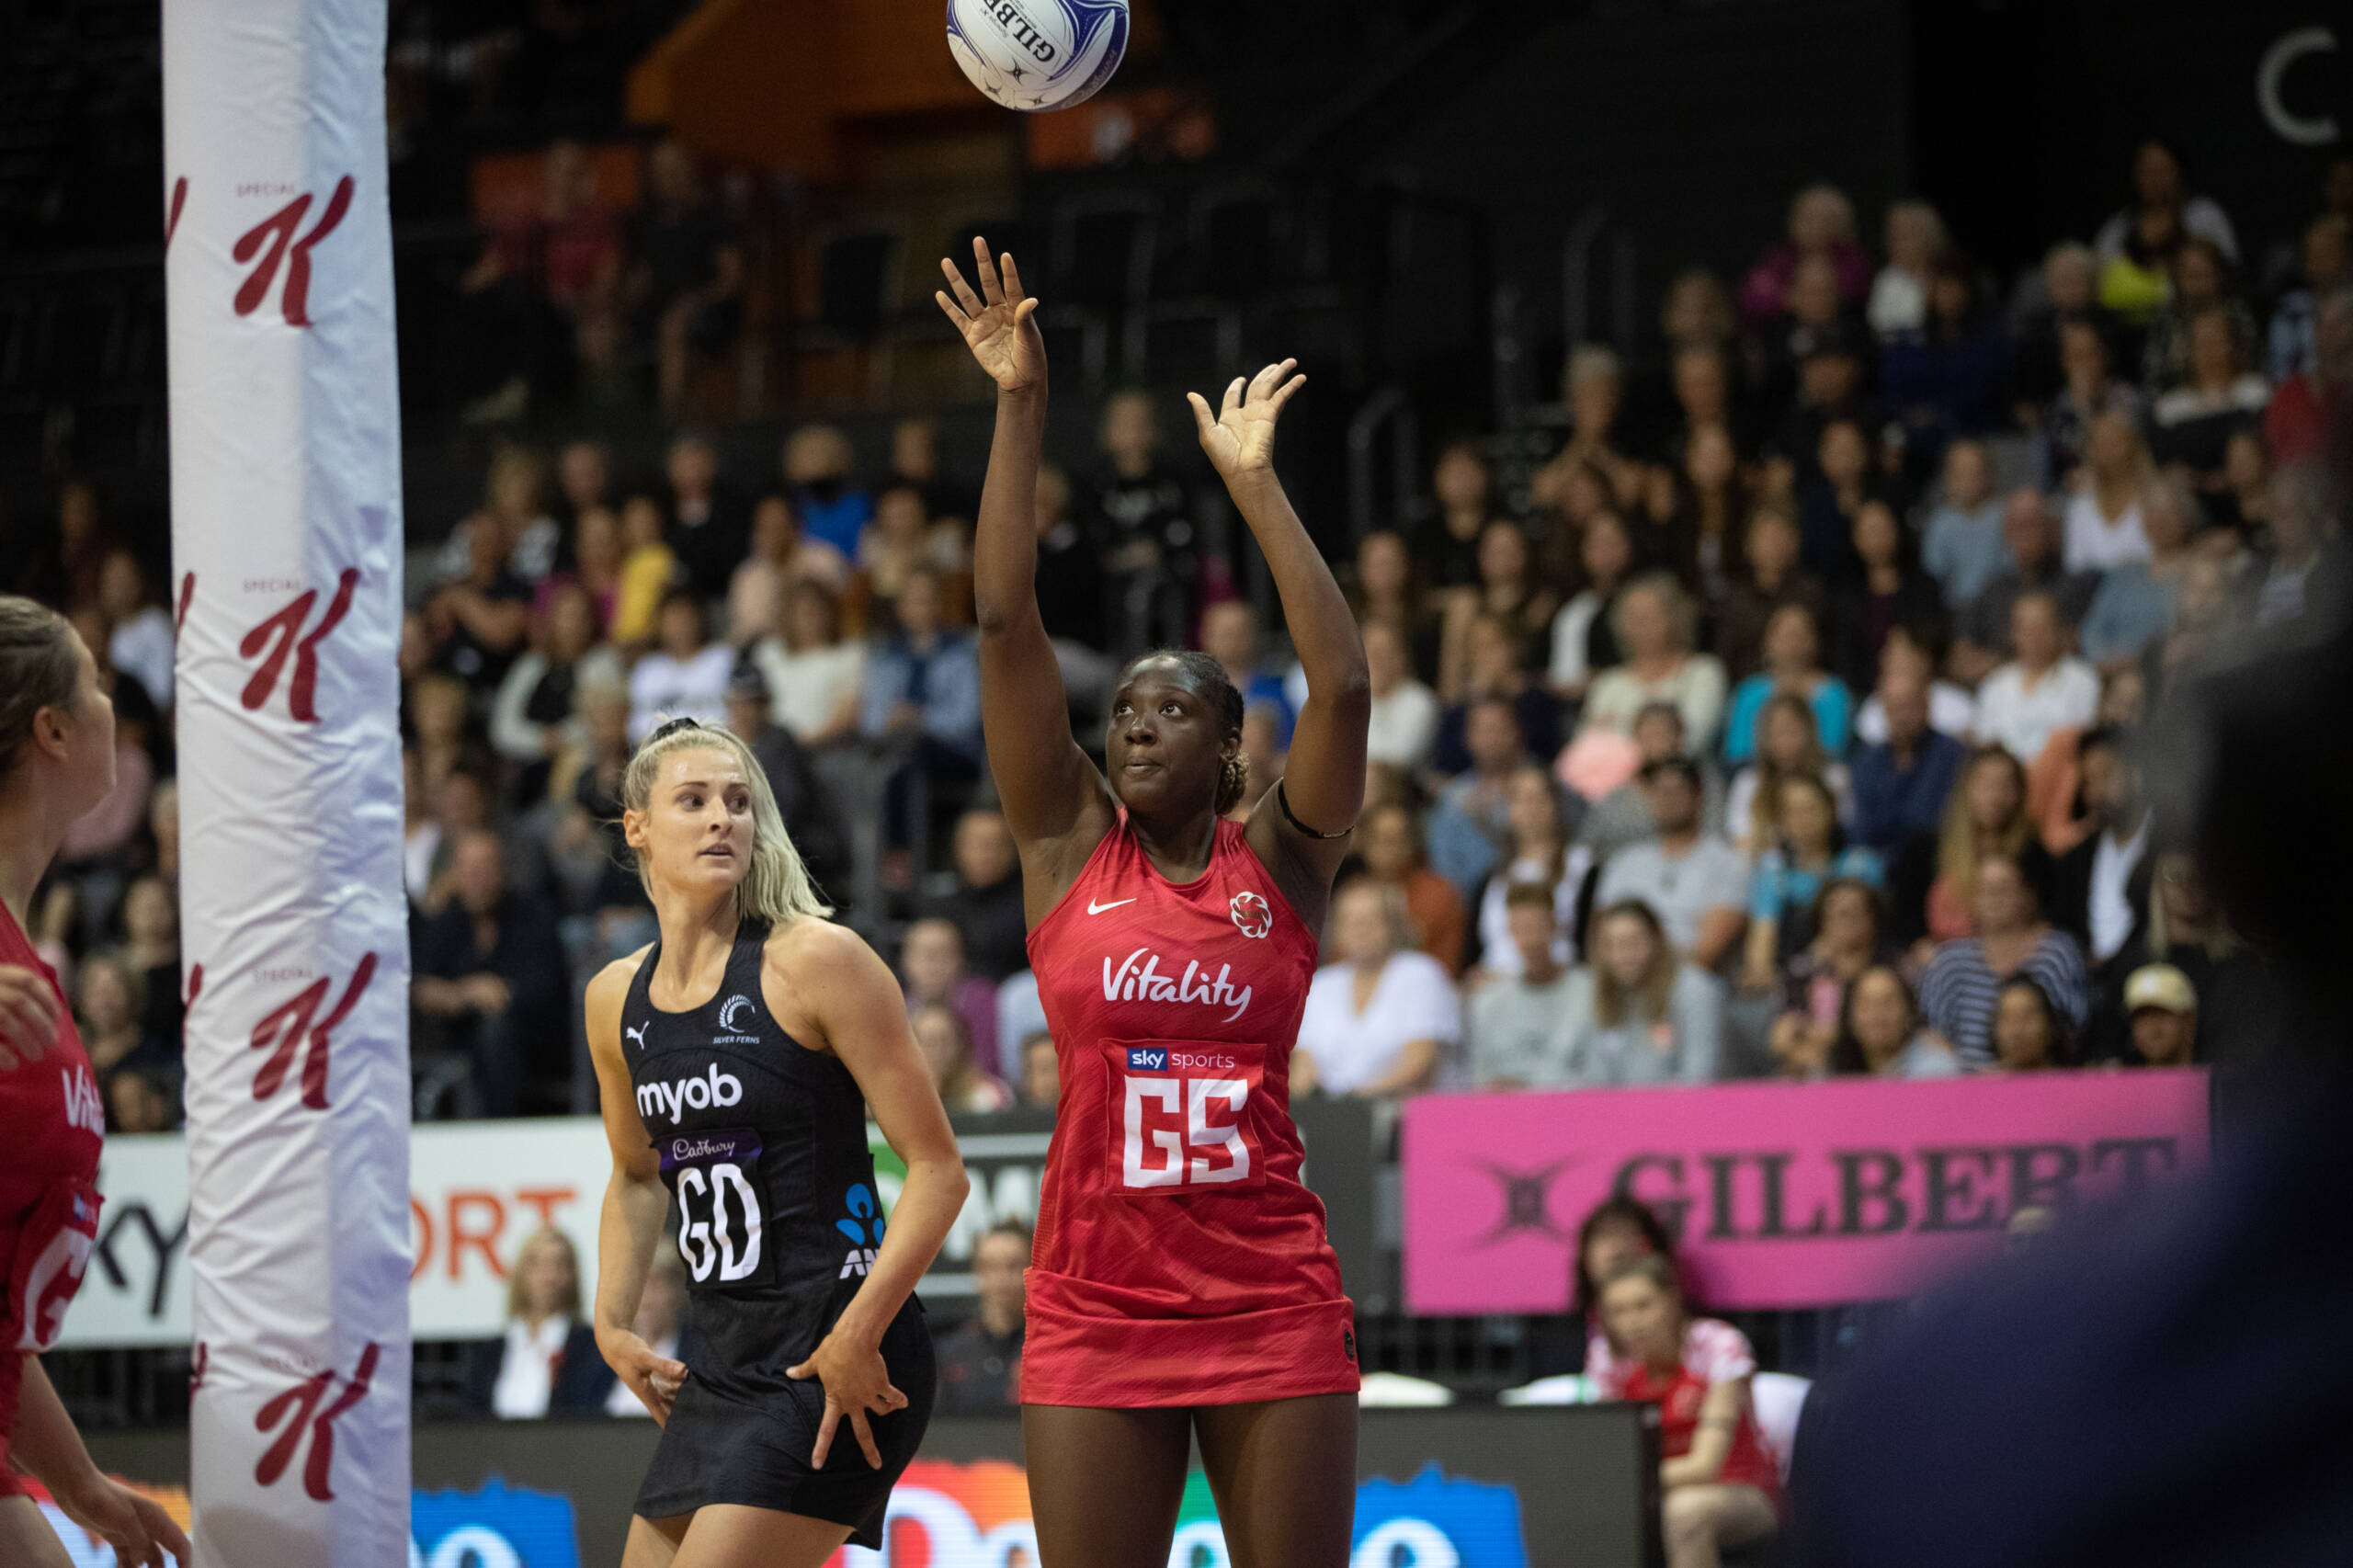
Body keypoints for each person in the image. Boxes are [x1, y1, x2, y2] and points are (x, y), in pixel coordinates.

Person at [938, 238, 1366, 1565]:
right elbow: (1005, 623)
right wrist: (1020, 406)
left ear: (1233, 750)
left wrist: (1254, 487)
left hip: (1269, 1297)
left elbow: (1342, 685)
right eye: (1123, 709)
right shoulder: (1068, 844)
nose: (1134, 727)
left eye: (1171, 707)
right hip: (1093, 1302)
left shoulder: (1283, 863)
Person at [584, 716, 967, 1565]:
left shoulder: (815, 960)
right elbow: (636, 1176)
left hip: (838, 1345)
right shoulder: (616, 998)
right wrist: (610, 1324)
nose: (723, 818)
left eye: (738, 802)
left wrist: (859, 1332)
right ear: (638, 827)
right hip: (724, 1361)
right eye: (693, 801)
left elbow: (939, 1171)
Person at [0, 597, 191, 1568]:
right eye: (97, 681)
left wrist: (78, 1482)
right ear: (53, 727)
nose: (116, 701)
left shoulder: (33, 963)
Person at [1595, 1255, 1781, 1568]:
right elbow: (1607, 1455)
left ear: (1671, 1302)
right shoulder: (1609, 1361)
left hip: (1743, 1491)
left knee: (1684, 1512)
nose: (1632, 1322)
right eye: (1618, 1311)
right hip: (1653, 1493)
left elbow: (1704, 1466)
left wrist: (1620, 1479)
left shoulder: (1718, 1345)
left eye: (1643, 1305)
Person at [412, 830, 570, 1117]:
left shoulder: (533, 917)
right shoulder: (445, 923)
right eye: (469, 871)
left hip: (530, 1044)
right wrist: (469, 993)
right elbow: (422, 988)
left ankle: (497, 1129)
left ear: (502, 871)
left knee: (497, 1028)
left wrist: (498, 995)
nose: (478, 880)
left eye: (485, 869)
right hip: (455, 1040)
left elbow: (545, 987)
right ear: (455, 876)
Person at [1917, 857, 2090, 1068]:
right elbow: (1930, 1036)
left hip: (2044, 1078)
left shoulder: (2057, 952)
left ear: (2028, 894)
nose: (1995, 898)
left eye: (2004, 889)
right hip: (1965, 1085)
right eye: (1986, 890)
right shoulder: (1948, 961)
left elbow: (2073, 1028)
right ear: (1972, 899)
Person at [1294, 880, 1458, 1098]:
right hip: (1330, 1116)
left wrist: (1356, 1099)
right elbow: (1303, 1066)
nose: (1360, 928)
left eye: (1371, 919)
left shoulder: (1421, 973)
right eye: (1350, 920)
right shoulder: (1321, 984)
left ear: (1393, 924)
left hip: (1404, 1114)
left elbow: (1421, 1064)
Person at [1596, 757, 1749, 971]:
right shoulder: (1624, 861)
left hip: (1687, 980)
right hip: (1624, 978)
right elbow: (1599, 939)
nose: (1667, 799)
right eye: (1659, 791)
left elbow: (1706, 956)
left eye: (1676, 790)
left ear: (1698, 795)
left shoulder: (1727, 864)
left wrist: (1637, 954)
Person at [1741, 773, 1882, 993]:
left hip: (1860, 979)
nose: (1803, 820)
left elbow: (1872, 933)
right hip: (1795, 981)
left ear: (1831, 811)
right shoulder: (1773, 876)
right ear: (1781, 821)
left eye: (1810, 809)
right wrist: (1766, 972)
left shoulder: (1860, 866)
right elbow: (1761, 947)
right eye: (1793, 812)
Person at [1561, 900, 1723, 1085]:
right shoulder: (1602, 993)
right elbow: (1596, 1077)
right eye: (1612, 945)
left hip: (1685, 1109)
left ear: (1656, 939)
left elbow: (1700, 1076)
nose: (1624, 954)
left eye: (1633, 941)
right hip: (1618, 1110)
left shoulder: (1694, 988)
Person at [1949, 491, 2097, 686]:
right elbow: (1961, 656)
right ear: (2006, 533)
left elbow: (2075, 645)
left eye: (2032, 524)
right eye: (2017, 526)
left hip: (2056, 686)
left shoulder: (2073, 584)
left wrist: (2009, 660)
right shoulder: (1993, 588)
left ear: (2050, 528)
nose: (2025, 533)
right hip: (1997, 690)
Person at [1578, 574, 1728, 753]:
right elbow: (1584, 747)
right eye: (1633, 617)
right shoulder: (1608, 683)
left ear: (1675, 618)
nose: (1642, 625)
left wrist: (1615, 734)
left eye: (1651, 615)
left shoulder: (1703, 672)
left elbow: (1691, 740)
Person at [1768, 880, 1896, 1078]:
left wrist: (1819, 1033)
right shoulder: (1803, 971)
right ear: (1822, 921)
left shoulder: (1891, 968)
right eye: (1836, 915)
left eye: (1854, 913)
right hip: (1819, 1065)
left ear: (1873, 918)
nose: (1845, 922)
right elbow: (1781, 1038)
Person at [2046, 727, 2149, 973]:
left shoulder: (2168, 843)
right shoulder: (2078, 858)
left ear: (2136, 774)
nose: (2096, 793)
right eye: (2088, 781)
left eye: (2106, 775)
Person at [1470, 767, 1587, 979]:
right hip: (1498, 986)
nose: (1531, 808)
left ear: (1555, 804)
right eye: (1521, 799)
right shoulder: (1492, 876)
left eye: (1539, 798)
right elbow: (1480, 949)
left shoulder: (1583, 866)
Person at [1467, 881, 1579, 1089]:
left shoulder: (1589, 992)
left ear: (1555, 926)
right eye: (1520, 929)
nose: (1531, 940)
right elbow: (1481, 1079)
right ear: (1509, 931)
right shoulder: (1488, 1003)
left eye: (1538, 927)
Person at [470, 1226, 585, 1418]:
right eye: (538, 1265)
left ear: (572, 1276)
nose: (549, 1277)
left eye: (559, 1265)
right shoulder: (490, 1353)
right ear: (521, 1273)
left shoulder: (588, 1348)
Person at [1972, 592, 2099, 766]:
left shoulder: (2082, 680)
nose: (2034, 636)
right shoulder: (1994, 685)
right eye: (2026, 628)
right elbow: (1985, 749)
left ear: (2058, 628)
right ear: (2014, 632)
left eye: (2042, 627)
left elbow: (2083, 746)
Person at [1848, 672, 1964, 856]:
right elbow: (1863, 826)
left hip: (1932, 855)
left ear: (1926, 707)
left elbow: (1928, 818)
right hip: (1876, 858)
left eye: (1909, 707)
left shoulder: (1951, 754)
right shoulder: (1867, 759)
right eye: (1894, 708)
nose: (1902, 717)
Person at [1722, 601, 1851, 765]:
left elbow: (1832, 751)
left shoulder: (1833, 694)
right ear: (1768, 643)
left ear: (1815, 642)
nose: (1793, 645)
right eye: (1785, 636)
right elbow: (1737, 755)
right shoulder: (1749, 692)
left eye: (1800, 636)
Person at [1355, 801, 1467, 976]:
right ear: (1363, 842)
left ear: (1411, 843)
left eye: (1395, 839)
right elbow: (1339, 962)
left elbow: (1446, 966)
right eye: (1378, 838)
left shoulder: (1440, 893)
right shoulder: (1351, 895)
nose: (1386, 848)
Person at [752, 579, 866, 749]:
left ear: (829, 613)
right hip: (774, 747)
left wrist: (807, 744)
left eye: (815, 610)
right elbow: (755, 705)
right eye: (802, 612)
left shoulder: (847, 653)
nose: (809, 619)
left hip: (824, 749)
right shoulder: (769, 653)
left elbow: (847, 714)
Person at [936, 1221, 1031, 1413]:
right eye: (991, 1266)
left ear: (1033, 1270)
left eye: (1013, 1266)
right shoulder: (949, 1351)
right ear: (978, 1272)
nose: (1002, 1277)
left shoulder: (1047, 1349)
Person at [896, 918, 999, 1079]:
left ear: (961, 960)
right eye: (925, 954)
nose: (934, 965)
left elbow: (988, 1068)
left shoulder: (984, 1001)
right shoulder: (894, 1007)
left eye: (944, 953)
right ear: (905, 962)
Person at [630, 590, 734, 744]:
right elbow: (635, 727)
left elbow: (738, 717)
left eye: (685, 618)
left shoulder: (722, 660)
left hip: (713, 749)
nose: (679, 626)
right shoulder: (647, 669)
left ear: (699, 619)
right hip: (655, 754)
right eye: (672, 619)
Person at [937, 808, 1028, 984]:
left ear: (1012, 851)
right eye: (976, 844)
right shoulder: (939, 909)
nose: (985, 855)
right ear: (957, 848)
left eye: (995, 845)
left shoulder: (1030, 908)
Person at [1919, 439, 2010, 612]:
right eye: (1960, 472)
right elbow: (1933, 575)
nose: (1967, 479)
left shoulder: (2004, 516)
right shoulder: (1939, 523)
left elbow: (2011, 570)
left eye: (1974, 471)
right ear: (1948, 477)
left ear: (1988, 473)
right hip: (1953, 610)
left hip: (1999, 608)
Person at [1825, 964, 1960, 1079]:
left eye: (1888, 1003)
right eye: (1866, 1004)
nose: (1877, 1015)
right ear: (1849, 1017)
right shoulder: (1835, 1069)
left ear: (1909, 1013)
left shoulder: (1936, 1071)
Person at [1361, 616, 1440, 773]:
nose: (1376, 660)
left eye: (1384, 653)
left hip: (1403, 793)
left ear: (1401, 656)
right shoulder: (1349, 702)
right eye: (1371, 652)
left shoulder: (1420, 701)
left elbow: (1400, 757)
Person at [912, 1003, 1014, 1113]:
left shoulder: (989, 1095)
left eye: (945, 1040)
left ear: (961, 1044)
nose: (938, 1050)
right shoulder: (901, 1098)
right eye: (930, 1043)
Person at [2117, 963, 2197, 1069]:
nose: (2153, 1029)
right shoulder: (2115, 1082)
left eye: (2162, 1014)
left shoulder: (2219, 1083)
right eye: (2142, 1016)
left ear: (2188, 1019)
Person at [1989, 975, 2073, 1072]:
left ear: (2050, 1024)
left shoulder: (2076, 1082)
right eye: (2007, 1018)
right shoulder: (1982, 1083)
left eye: (2027, 1017)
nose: (2017, 1031)